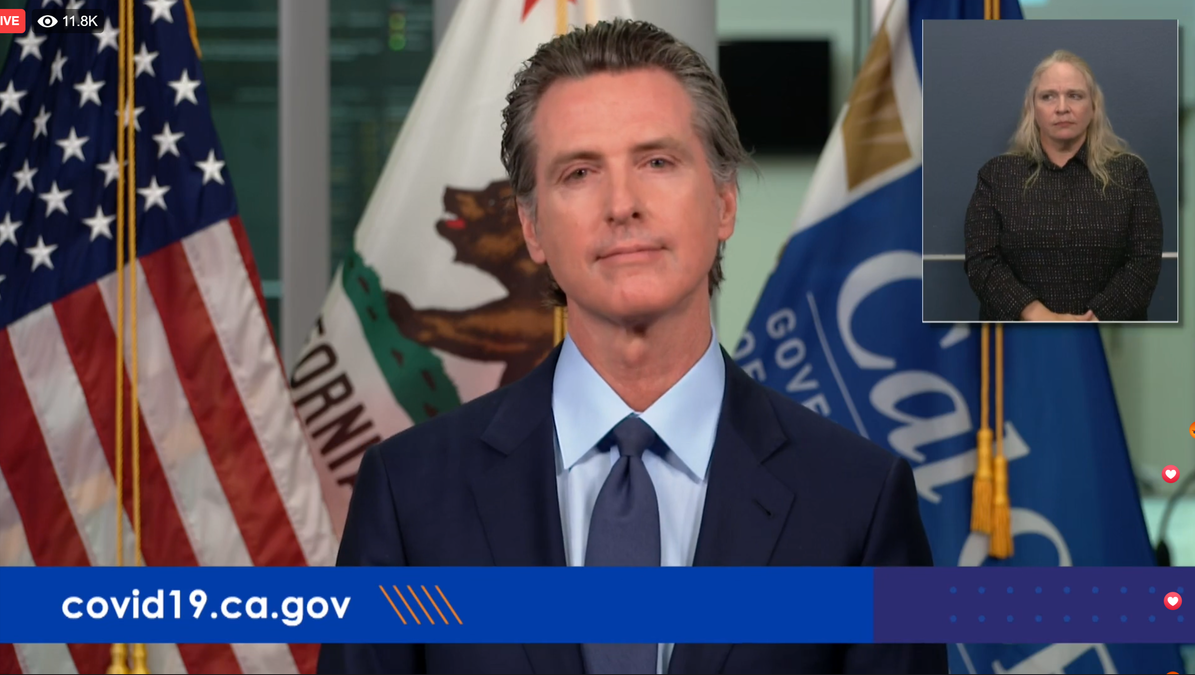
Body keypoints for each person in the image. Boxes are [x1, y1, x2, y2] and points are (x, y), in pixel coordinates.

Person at [318, 19, 946, 675]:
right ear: (532, 227)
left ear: (725, 202)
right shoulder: (409, 492)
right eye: (580, 171)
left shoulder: (858, 499)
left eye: (657, 162)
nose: (622, 204)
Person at [964, 50, 1163, 322]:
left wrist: (1094, 320)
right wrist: (1041, 317)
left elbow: (1144, 261)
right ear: (1032, 108)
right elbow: (981, 262)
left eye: (1074, 95)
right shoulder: (997, 176)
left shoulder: (1130, 174)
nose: (1061, 108)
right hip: (1021, 336)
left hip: (1108, 337)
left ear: (1093, 106)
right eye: (1048, 96)